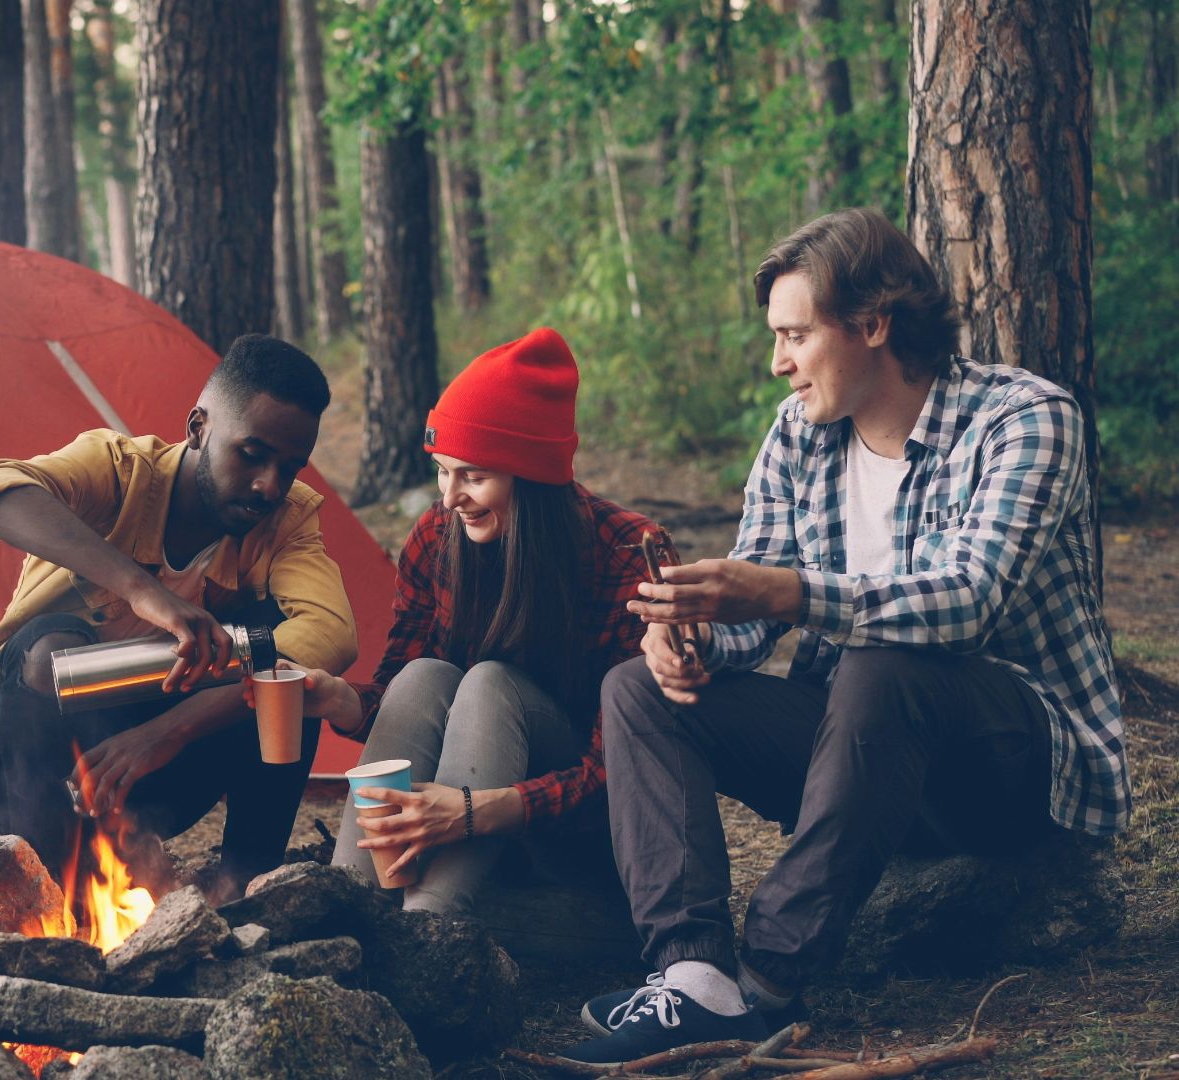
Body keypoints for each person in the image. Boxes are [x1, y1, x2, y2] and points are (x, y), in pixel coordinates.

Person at [561, 209, 1129, 1065]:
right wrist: (694, 640)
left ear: (872, 325)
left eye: (794, 335)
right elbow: (752, 617)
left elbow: (965, 601)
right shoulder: (799, 433)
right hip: (863, 767)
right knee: (636, 690)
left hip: (1013, 771)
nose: (777, 362)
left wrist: (784, 593)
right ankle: (694, 980)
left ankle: (769, 981)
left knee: (884, 661)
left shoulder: (1025, 419)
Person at [0, 334, 358, 902]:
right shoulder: (118, 471)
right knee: (46, 646)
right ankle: (53, 889)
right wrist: (140, 590)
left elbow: (330, 634)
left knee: (286, 681)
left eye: (290, 466)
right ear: (199, 427)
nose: (269, 486)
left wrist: (167, 732)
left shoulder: (287, 519)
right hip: (11, 765)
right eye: (252, 455)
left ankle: (245, 889)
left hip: (139, 769)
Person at [261, 327, 666, 916]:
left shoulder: (628, 552)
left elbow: (620, 768)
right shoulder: (437, 537)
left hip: (581, 856)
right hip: (479, 848)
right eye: (442, 471)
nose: (450, 497)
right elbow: (407, 699)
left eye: (473, 476)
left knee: (491, 682)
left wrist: (476, 811)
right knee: (425, 674)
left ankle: (430, 933)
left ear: (533, 475)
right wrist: (343, 701)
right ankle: (349, 911)